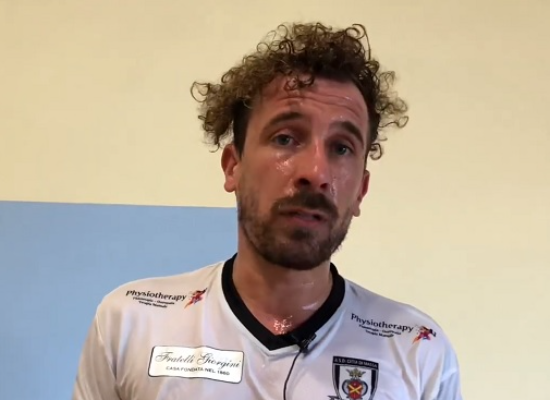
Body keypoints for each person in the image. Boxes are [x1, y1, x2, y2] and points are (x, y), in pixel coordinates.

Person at [73, 22, 462, 400]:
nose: (316, 172)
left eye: (342, 147)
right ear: (233, 167)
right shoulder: (131, 323)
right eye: (286, 138)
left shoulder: (417, 351)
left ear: (360, 190)